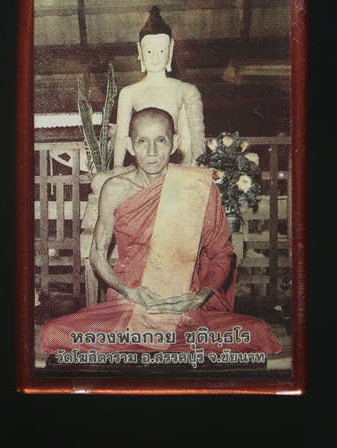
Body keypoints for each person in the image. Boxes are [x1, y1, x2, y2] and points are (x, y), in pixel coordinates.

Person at [41, 107, 281, 357]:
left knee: (258, 333)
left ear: (174, 143)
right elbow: (97, 256)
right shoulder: (114, 189)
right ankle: (166, 346)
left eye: (161, 141)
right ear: (130, 146)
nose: (152, 152)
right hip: (130, 304)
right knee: (53, 332)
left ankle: (144, 346)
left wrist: (199, 297)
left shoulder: (197, 186)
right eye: (142, 142)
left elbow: (222, 254)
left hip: (183, 305)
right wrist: (130, 292)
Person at [113, 6, 206, 167]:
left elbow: (197, 136)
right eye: (149, 52)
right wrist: (117, 167)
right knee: (101, 179)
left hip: (176, 165)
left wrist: (197, 167)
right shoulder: (129, 93)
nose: (155, 57)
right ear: (140, 51)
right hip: (142, 166)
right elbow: (122, 136)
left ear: (170, 50)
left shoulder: (186, 90)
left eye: (162, 51)